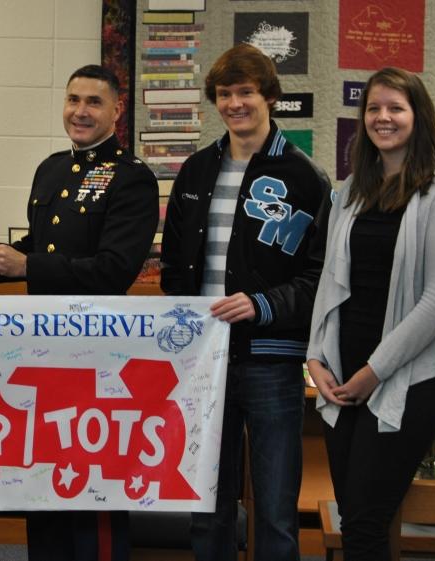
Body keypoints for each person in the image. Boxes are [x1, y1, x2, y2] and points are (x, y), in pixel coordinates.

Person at [0, 64, 159, 560]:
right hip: (41, 353)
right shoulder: (52, 168)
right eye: (73, 99)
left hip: (95, 357)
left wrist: (25, 262)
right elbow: (36, 247)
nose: (80, 111)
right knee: (42, 481)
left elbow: (113, 270)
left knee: (92, 485)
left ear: (117, 110)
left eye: (93, 102)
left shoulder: (133, 179)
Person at [160, 43, 331, 561]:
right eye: (226, 94)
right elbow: (171, 263)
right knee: (207, 503)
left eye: (247, 92)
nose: (236, 103)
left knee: (277, 511)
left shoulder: (306, 178)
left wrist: (263, 304)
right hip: (204, 361)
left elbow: (319, 277)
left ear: (270, 97)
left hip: (271, 362)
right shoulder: (195, 171)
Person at [306, 67, 435, 560]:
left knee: (365, 518)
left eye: (396, 108)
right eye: (374, 108)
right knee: (353, 509)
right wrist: (316, 358)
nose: (383, 118)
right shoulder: (354, 188)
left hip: (409, 375)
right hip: (344, 373)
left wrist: (373, 373)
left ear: (419, 117)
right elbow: (330, 282)